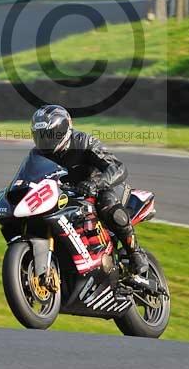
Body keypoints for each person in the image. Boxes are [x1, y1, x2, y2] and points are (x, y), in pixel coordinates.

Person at [30, 103, 149, 276]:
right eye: (41, 135)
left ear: (64, 129)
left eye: (49, 134)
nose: (45, 140)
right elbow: (28, 177)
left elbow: (117, 167)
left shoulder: (83, 142)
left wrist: (96, 183)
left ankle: (135, 252)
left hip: (96, 190)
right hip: (65, 196)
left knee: (108, 205)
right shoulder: (37, 154)